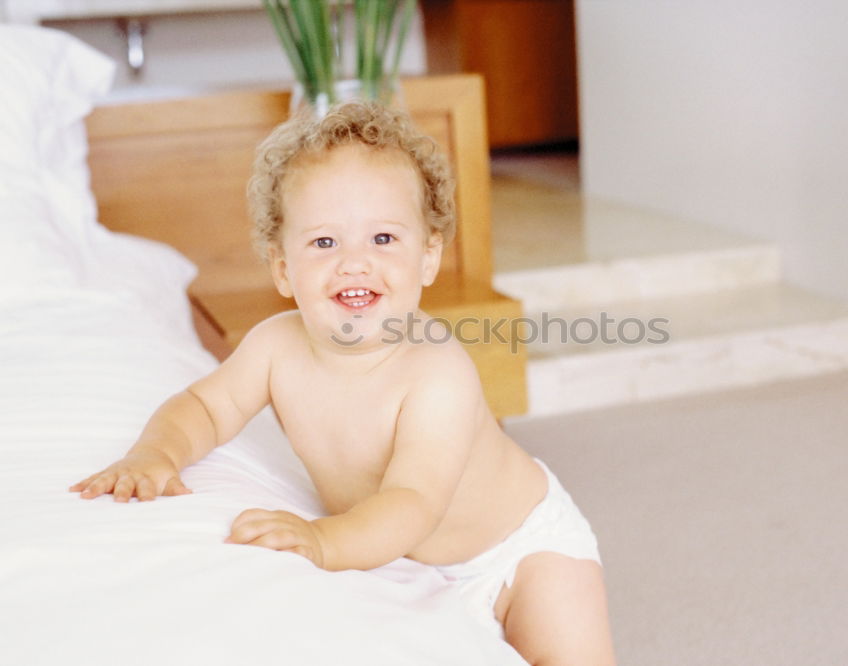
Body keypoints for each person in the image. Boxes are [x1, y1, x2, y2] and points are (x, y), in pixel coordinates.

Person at [69, 101, 615, 665]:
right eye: (325, 243)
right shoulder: (275, 346)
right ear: (283, 267)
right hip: (404, 559)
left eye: (383, 239)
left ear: (428, 258)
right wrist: (156, 453)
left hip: (518, 551)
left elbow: (413, 501)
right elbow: (205, 408)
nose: (355, 262)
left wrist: (323, 541)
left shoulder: (435, 371)